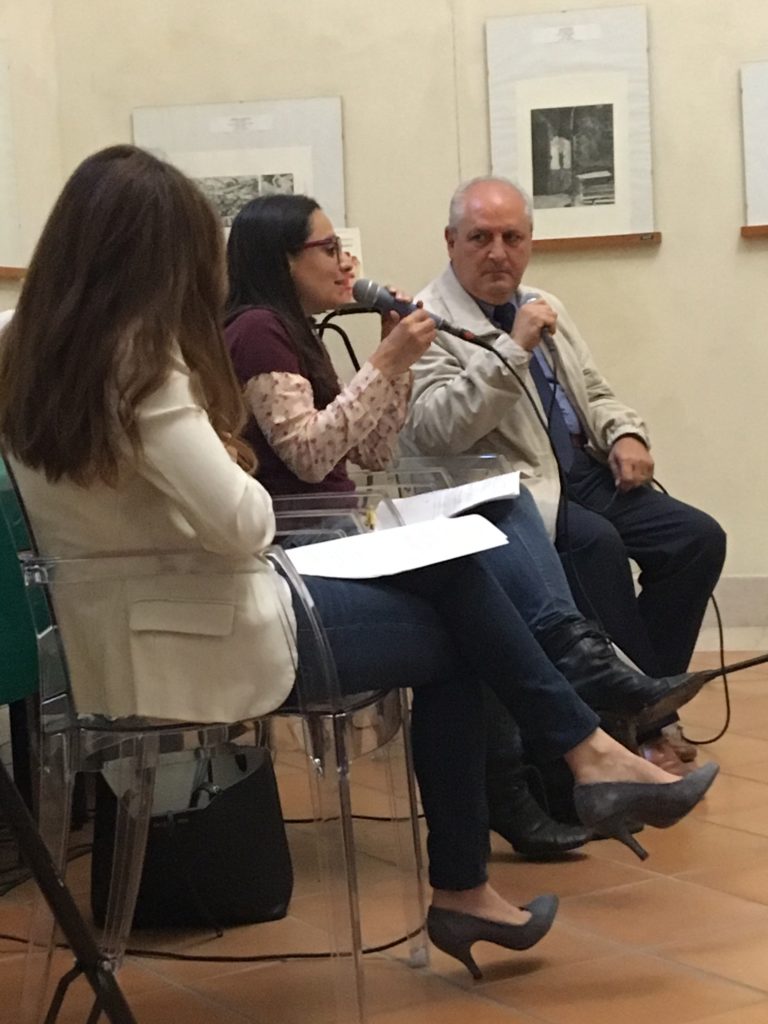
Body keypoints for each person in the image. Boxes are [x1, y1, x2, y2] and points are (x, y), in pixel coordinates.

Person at [0, 148, 718, 983]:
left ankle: (561, 782)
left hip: (116, 635)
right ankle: (546, 795)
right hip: (203, 634)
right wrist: (230, 453)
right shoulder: (145, 366)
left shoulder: (25, 351)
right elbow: (247, 519)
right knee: (462, 611)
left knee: (459, 576)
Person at [402, 176, 726, 772]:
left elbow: (592, 392)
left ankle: (642, 701)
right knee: (596, 546)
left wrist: (625, 433)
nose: (498, 252)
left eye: (512, 237)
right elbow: (436, 430)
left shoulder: (543, 302)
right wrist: (512, 351)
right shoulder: (428, 321)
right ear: (450, 242)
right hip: (517, 490)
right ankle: (636, 723)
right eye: (480, 237)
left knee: (696, 539)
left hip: (585, 469)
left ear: (530, 242)